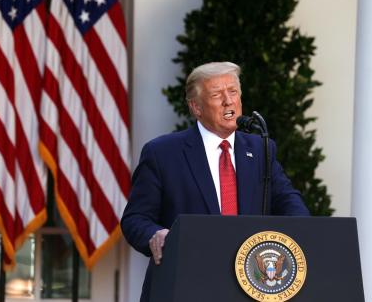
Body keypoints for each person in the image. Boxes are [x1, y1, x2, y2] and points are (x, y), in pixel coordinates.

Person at [121, 61, 309, 301]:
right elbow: (135, 218)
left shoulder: (261, 149)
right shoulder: (162, 153)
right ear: (196, 107)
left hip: (250, 284)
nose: (228, 101)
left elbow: (289, 201)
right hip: (186, 282)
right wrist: (155, 234)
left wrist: (303, 232)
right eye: (217, 94)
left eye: (233, 92)